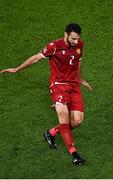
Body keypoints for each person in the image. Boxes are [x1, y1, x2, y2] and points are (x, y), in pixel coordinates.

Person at [1, 23, 92, 166]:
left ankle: (51, 133)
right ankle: (74, 154)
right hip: (58, 86)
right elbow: (35, 58)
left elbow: (78, 62)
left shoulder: (80, 45)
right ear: (66, 34)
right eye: (73, 39)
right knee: (64, 116)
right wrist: (16, 69)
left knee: (77, 121)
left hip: (73, 86)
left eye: (77, 39)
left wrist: (80, 79)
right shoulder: (54, 46)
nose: (76, 42)